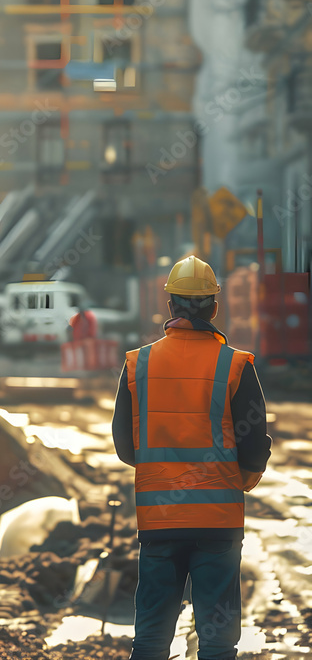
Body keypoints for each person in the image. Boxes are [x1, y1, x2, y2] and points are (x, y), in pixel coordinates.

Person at [112, 254, 271, 660]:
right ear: (215, 307)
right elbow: (254, 445)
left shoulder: (137, 364)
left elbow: (126, 447)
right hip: (218, 524)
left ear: (170, 305)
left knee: (149, 638)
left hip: (160, 518)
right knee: (217, 642)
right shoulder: (236, 365)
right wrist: (238, 481)